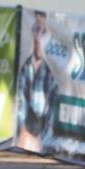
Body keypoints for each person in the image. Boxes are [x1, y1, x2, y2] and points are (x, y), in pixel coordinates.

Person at [16, 11, 58, 152]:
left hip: (43, 142)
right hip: (25, 140)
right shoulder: (25, 67)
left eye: (43, 31)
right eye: (36, 29)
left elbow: (51, 116)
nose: (39, 35)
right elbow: (20, 107)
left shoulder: (54, 71)